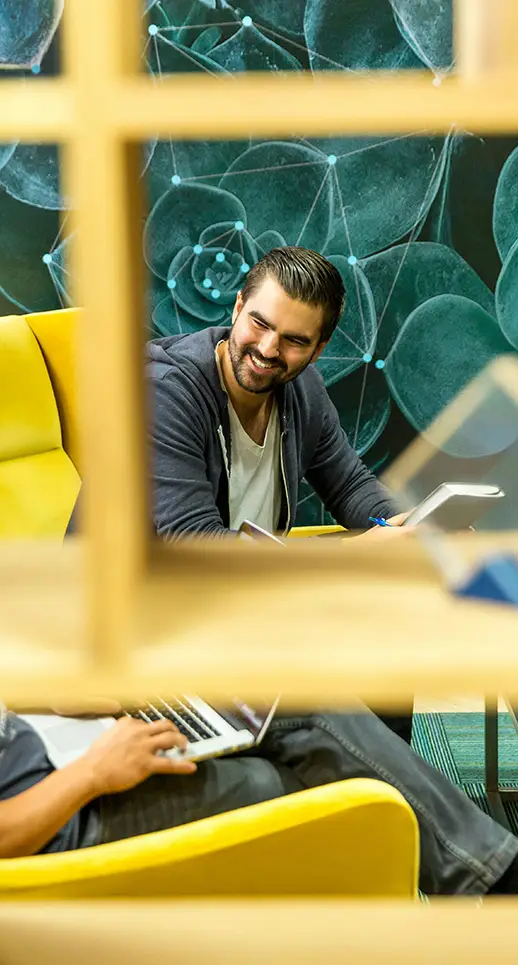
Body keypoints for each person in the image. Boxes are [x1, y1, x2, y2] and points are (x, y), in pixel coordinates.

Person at [0, 370, 518, 898]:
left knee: (279, 708)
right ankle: (500, 881)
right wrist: (96, 773)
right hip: (59, 822)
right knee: (285, 761)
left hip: (69, 756)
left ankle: (488, 876)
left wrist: (95, 701)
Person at [148, 246, 412, 743]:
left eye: (294, 340)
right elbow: (195, 547)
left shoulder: (301, 390)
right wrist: (352, 555)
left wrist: (405, 527)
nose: (269, 349)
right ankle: (372, 790)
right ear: (236, 307)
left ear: (319, 347)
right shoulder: (164, 394)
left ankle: (379, 801)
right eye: (259, 323)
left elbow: (352, 486)